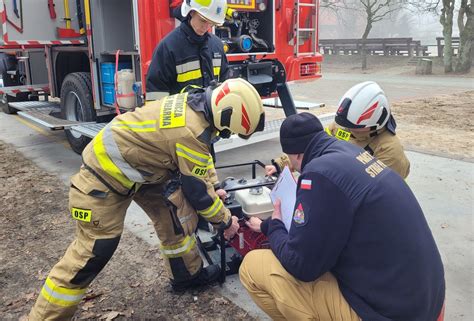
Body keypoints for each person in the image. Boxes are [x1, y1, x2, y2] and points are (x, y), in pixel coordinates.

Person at [28, 78, 265, 320]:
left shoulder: (196, 104)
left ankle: (187, 276)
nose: (226, 135)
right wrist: (225, 222)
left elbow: (202, 159)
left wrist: (214, 185)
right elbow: (197, 193)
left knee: (172, 216)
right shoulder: (189, 131)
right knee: (93, 252)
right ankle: (44, 316)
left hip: (143, 169)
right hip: (103, 178)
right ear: (226, 115)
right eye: (229, 131)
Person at [240, 112, 445, 321]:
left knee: (253, 267)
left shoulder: (319, 173)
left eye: (292, 162)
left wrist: (274, 227)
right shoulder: (350, 152)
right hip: (426, 302)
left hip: (391, 314)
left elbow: (301, 265)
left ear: (297, 155)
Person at [266, 81, 410, 179]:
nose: (349, 130)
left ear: (375, 123)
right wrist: (281, 164)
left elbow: (369, 189)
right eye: (348, 126)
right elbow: (315, 147)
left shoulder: (390, 152)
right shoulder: (342, 127)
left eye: (355, 128)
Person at [146, 0, 229, 99]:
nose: (206, 27)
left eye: (211, 23)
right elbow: (155, 94)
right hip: (178, 114)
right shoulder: (168, 47)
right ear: (191, 12)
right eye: (203, 20)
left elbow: (225, 84)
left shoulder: (217, 45)